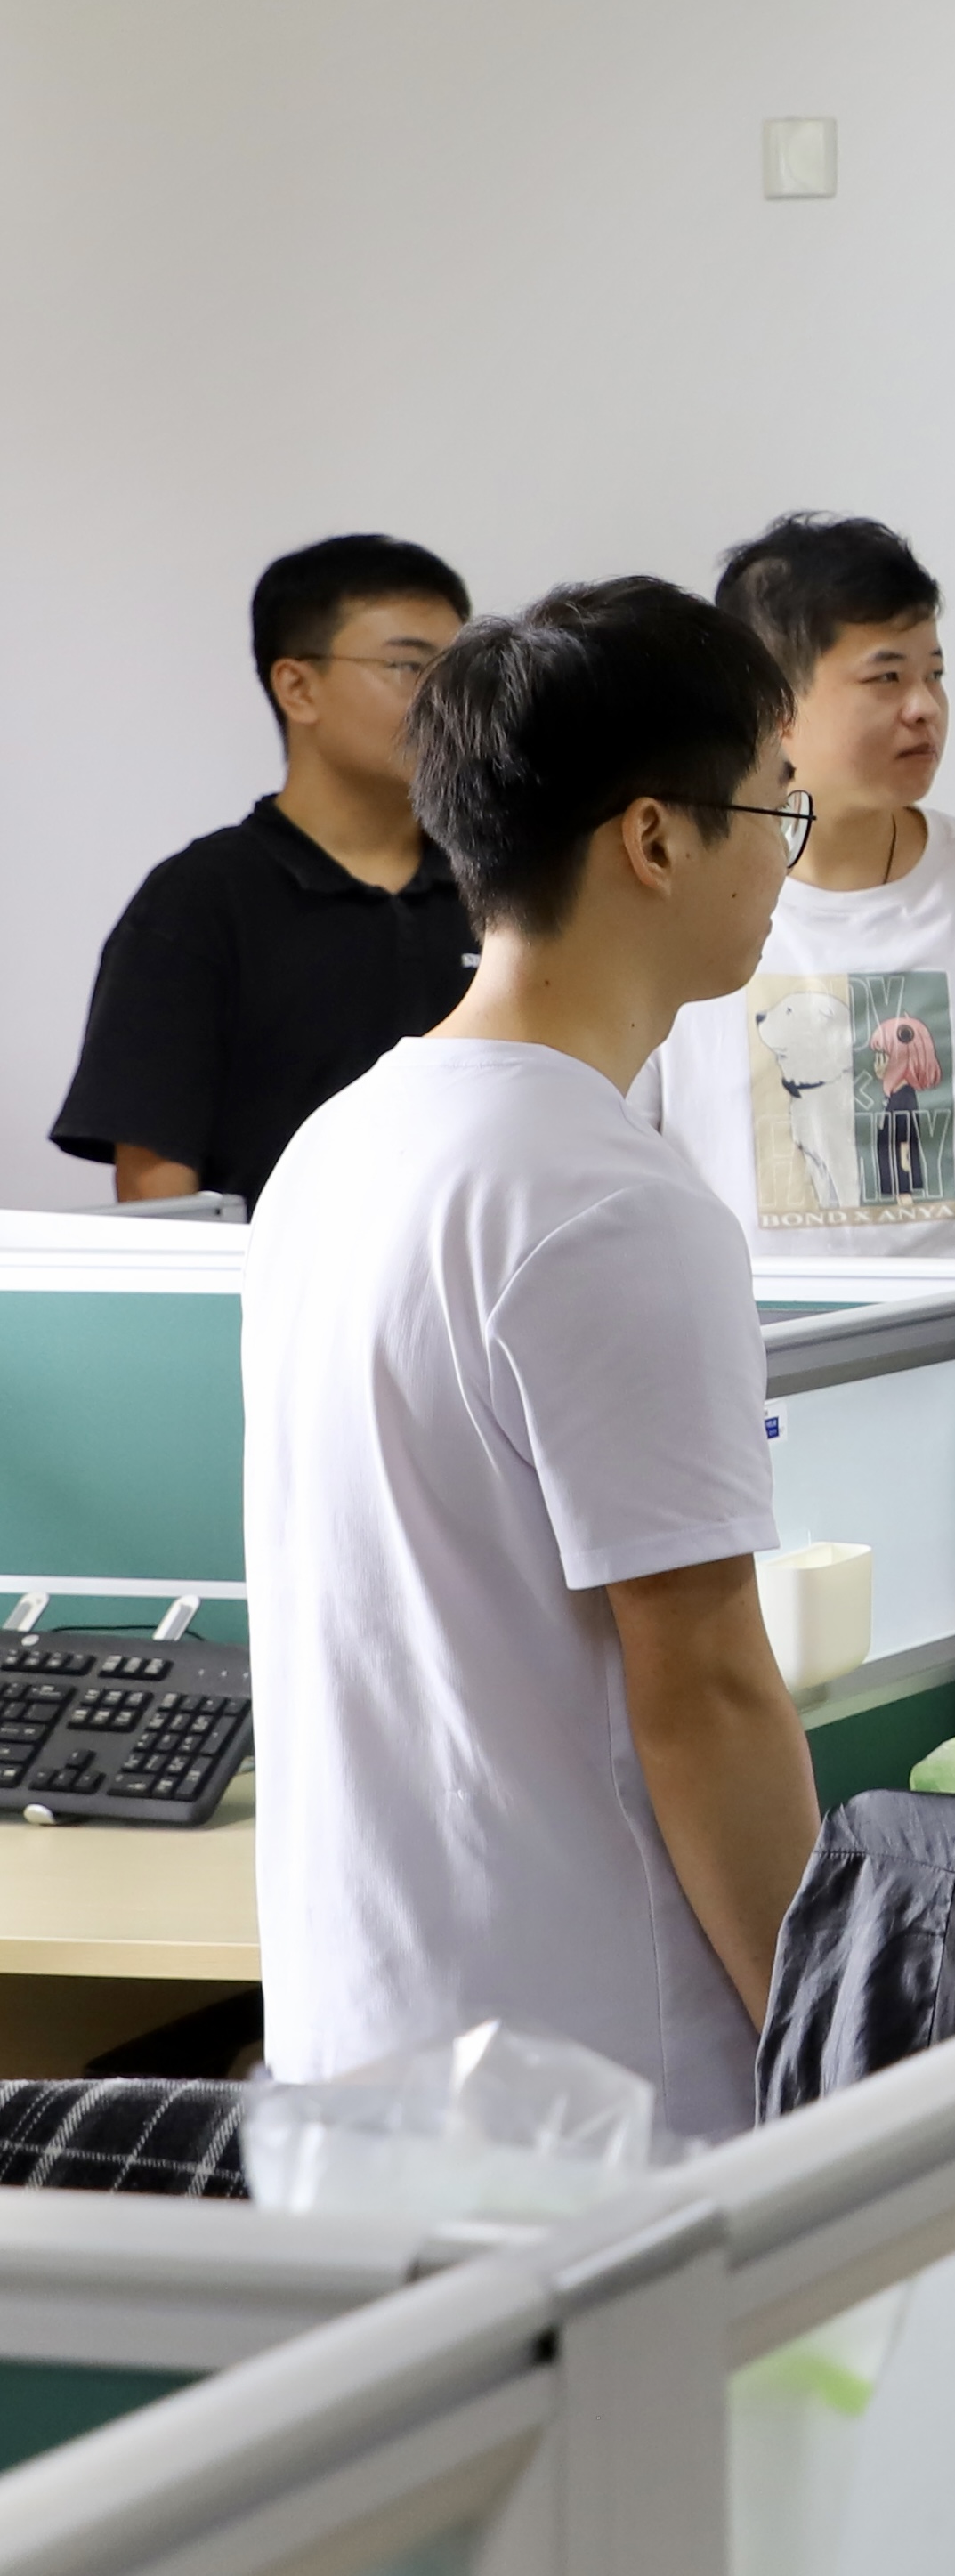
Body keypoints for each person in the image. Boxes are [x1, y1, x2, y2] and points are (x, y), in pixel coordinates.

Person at [242, 577, 829, 2146]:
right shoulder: (610, 1206)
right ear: (654, 839)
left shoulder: (336, 1147)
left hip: (359, 2050)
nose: (787, 853)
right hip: (596, 2089)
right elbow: (706, 1696)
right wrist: (831, 2049)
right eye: (775, 803)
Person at [635, 514, 955, 1259]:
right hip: (748, 1335)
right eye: (887, 677)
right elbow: (619, 1159)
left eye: (934, 673)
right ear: (771, 704)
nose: (924, 706)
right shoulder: (676, 902)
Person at [51, 535, 480, 1205]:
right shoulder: (199, 899)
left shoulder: (501, 890)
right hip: (264, 1273)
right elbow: (156, 1181)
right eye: (407, 666)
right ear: (297, 687)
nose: (445, 699)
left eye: (459, 670)